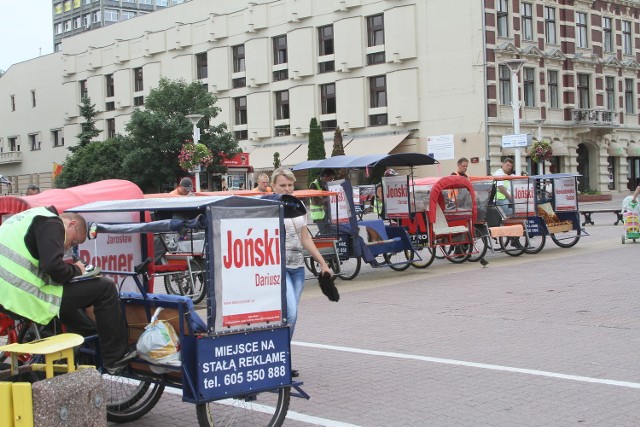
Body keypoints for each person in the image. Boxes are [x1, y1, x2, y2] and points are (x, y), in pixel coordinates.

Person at [0, 207, 134, 374]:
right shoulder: (52, 222)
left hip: (8, 294)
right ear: (72, 225)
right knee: (105, 288)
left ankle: (86, 338)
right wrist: (77, 270)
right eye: (73, 242)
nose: (68, 247)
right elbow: (52, 267)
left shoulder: (27, 217)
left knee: (73, 311)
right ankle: (115, 357)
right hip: (25, 294)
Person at [271, 168, 331, 376]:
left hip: (297, 267)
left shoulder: (298, 205)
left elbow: (305, 238)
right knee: (291, 313)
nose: (287, 189)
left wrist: (323, 263)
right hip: (278, 268)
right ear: (274, 186)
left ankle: (280, 359)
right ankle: (279, 360)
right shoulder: (271, 205)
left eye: (290, 185)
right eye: (282, 185)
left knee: (290, 316)